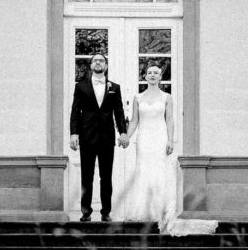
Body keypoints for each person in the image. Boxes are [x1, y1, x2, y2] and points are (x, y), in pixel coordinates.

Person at [117, 65, 218, 236]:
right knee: (144, 171)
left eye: (156, 73)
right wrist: (126, 136)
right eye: (149, 73)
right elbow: (134, 120)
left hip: (160, 138)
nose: (152, 75)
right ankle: (144, 210)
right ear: (145, 76)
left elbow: (170, 120)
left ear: (160, 77)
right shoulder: (138, 97)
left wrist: (170, 139)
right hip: (144, 140)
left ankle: (161, 210)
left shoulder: (166, 97)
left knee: (160, 171)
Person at [68, 52, 128, 222]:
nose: (99, 63)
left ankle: (106, 212)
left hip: (107, 137)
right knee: (87, 176)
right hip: (87, 136)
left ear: (106, 66)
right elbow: (75, 111)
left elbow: (119, 111)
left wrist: (123, 132)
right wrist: (74, 133)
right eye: (95, 61)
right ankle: (85, 212)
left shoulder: (114, 87)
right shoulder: (81, 86)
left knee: (106, 176)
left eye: (102, 61)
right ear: (91, 65)